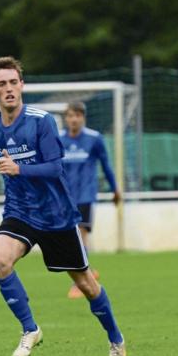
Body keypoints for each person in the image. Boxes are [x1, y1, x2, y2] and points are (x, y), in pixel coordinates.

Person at [0, 56, 126, 356]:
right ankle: (30, 329)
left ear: (22, 85)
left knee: (86, 284)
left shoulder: (41, 121)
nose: (9, 89)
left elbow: (56, 168)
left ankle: (116, 338)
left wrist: (19, 169)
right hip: (20, 212)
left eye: (13, 82)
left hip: (56, 214)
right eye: (2, 84)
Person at [59, 101, 121, 299]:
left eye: (77, 115)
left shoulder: (94, 139)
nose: (73, 119)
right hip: (64, 197)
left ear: (83, 118)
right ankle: (88, 272)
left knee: (80, 235)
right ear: (65, 119)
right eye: (70, 116)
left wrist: (115, 188)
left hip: (85, 195)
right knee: (67, 239)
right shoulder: (58, 139)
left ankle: (79, 281)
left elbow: (106, 165)